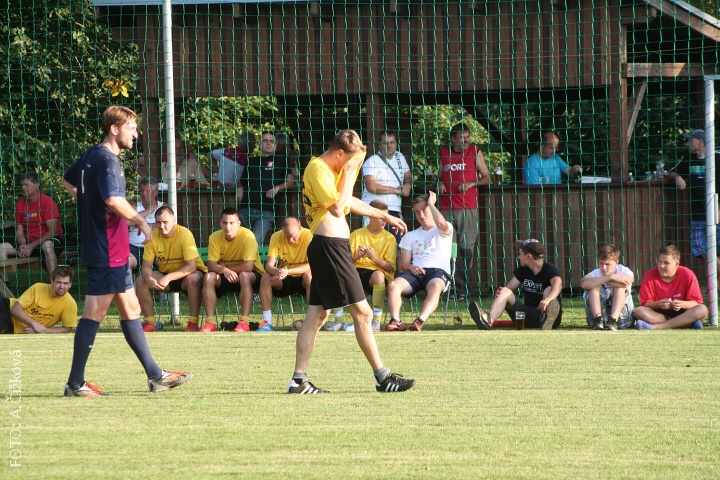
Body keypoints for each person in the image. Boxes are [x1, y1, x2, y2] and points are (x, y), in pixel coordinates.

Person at [61, 106, 192, 397]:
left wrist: (89, 204)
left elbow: (68, 181)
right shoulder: (107, 160)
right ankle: (74, 384)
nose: (136, 134)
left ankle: (156, 376)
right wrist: (140, 221)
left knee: (132, 309)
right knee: (94, 313)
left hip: (114, 249)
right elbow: (112, 200)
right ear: (114, 129)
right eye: (131, 127)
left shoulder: (91, 155)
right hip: (107, 249)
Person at [287, 129, 415, 394]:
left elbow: (348, 200)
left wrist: (384, 215)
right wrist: (349, 171)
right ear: (339, 154)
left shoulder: (328, 170)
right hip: (331, 248)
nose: (353, 168)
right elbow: (337, 207)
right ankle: (383, 377)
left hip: (330, 248)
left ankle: (298, 381)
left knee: (317, 315)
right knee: (364, 313)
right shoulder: (318, 169)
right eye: (350, 161)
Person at [386, 193, 453, 332]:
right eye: (417, 212)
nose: (421, 215)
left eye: (424, 210)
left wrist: (431, 204)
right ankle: (396, 321)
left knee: (436, 286)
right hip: (415, 272)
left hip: (437, 272)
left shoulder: (444, 228)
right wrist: (411, 266)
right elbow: (403, 264)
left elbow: (441, 223)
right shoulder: (410, 236)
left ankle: (420, 320)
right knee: (393, 285)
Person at [438, 123, 490, 301]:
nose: (466, 140)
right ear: (453, 139)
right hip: (446, 208)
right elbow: (439, 176)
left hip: (467, 207)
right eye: (462, 137)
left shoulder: (475, 151)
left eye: (468, 137)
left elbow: (487, 177)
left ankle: (463, 289)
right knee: (448, 249)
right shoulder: (444, 153)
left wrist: (471, 183)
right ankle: (449, 288)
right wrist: (440, 183)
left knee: (466, 249)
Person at [135, 206, 207, 333]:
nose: (162, 226)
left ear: (174, 220)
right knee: (141, 281)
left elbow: (191, 266)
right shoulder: (152, 236)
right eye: (158, 222)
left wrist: (168, 277)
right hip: (166, 274)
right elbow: (146, 267)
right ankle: (150, 323)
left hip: (189, 274)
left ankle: (193, 323)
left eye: (165, 222)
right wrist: (149, 278)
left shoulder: (185, 234)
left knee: (193, 279)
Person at [468, 239, 562, 330]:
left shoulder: (549, 269)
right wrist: (501, 293)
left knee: (549, 289)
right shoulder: (523, 270)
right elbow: (509, 288)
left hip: (546, 315)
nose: (518, 257)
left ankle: (546, 319)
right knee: (505, 291)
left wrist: (548, 299)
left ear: (528, 256)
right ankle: (488, 320)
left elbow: (558, 285)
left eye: (520, 254)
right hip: (526, 315)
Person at [199, 207, 265, 333]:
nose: (228, 227)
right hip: (226, 275)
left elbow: (248, 266)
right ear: (220, 223)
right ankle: (210, 322)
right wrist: (224, 271)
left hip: (251, 276)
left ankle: (244, 322)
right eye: (225, 223)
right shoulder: (214, 237)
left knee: (244, 275)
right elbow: (211, 265)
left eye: (231, 223)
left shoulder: (248, 236)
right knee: (208, 277)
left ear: (239, 223)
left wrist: (225, 268)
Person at [337, 199, 398, 333]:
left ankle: (376, 320)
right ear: (370, 216)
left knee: (378, 275)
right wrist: (357, 255)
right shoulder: (356, 234)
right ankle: (339, 321)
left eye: (386, 217)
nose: (384, 220)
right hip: (355, 271)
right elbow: (345, 262)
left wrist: (374, 258)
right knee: (336, 273)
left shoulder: (390, 238)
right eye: (381, 216)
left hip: (376, 275)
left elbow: (390, 268)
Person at [236, 131, 294, 245]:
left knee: (255, 243)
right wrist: (240, 189)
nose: (268, 143)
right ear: (259, 144)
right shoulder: (251, 161)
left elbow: (290, 182)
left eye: (271, 141)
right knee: (243, 244)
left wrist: (277, 188)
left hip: (266, 210)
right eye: (265, 141)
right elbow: (241, 182)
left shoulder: (281, 160)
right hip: (245, 208)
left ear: (275, 146)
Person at [0, 173, 65, 275]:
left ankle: (53, 281)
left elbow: (53, 231)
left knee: (47, 246)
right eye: (21, 185)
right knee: (1, 247)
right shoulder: (19, 205)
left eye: (26, 185)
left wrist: (31, 246)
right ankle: (5, 284)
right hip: (29, 243)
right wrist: (23, 247)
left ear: (37, 185)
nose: (23, 188)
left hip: (50, 241)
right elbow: (19, 232)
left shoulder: (47, 202)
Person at [671, 129, 720, 263]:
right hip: (697, 212)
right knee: (698, 247)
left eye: (690, 140)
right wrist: (678, 177)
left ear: (700, 142)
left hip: (716, 211)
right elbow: (672, 172)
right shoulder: (689, 160)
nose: (687, 144)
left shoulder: (716, 158)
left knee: (717, 247)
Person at [634, 245, 707, 330]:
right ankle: (687, 323)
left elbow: (696, 302)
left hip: (683, 312)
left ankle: (656, 327)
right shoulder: (649, 275)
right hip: (659, 314)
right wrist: (659, 304)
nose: (661, 266)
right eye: (659, 262)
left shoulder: (688, 274)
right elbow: (645, 303)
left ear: (677, 264)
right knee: (639, 311)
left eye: (666, 263)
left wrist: (682, 304)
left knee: (702, 309)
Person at [259, 217, 313, 331]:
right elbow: (269, 266)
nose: (291, 241)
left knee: (310, 276)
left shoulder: (309, 235)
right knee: (265, 278)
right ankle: (267, 322)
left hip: (303, 278)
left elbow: (312, 265)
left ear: (300, 228)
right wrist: (278, 272)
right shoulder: (276, 236)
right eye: (287, 237)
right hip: (284, 278)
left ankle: (311, 321)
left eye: (294, 237)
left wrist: (289, 271)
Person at [361, 131, 412, 242]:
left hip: (395, 210)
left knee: (397, 243)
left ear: (396, 144)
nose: (389, 145)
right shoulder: (372, 161)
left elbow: (408, 176)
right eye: (385, 143)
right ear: (380, 145)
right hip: (375, 211)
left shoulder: (400, 157)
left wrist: (408, 185)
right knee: (373, 243)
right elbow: (371, 186)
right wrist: (396, 191)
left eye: (392, 142)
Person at [0, 267, 76, 334]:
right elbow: (15, 309)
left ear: (70, 284)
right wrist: (34, 324)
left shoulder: (69, 303)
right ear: (52, 281)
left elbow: (67, 328)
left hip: (11, 326)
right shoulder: (38, 288)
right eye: (58, 282)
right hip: (7, 307)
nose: (62, 286)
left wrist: (44, 330)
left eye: (65, 283)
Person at [579, 244, 635, 331]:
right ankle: (598, 320)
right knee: (593, 287)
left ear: (616, 262)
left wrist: (599, 280)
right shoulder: (596, 272)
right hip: (599, 321)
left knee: (619, 287)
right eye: (601, 263)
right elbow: (584, 284)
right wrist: (610, 277)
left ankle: (613, 321)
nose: (603, 268)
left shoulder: (624, 271)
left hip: (623, 320)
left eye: (607, 264)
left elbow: (625, 283)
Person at [128, 176, 163, 269]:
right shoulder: (134, 206)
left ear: (156, 192)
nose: (144, 194)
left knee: (165, 264)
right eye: (141, 191)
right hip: (134, 248)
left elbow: (163, 226)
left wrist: (140, 224)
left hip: (156, 249)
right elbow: (127, 222)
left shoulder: (163, 207)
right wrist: (150, 210)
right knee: (125, 264)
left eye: (148, 191)